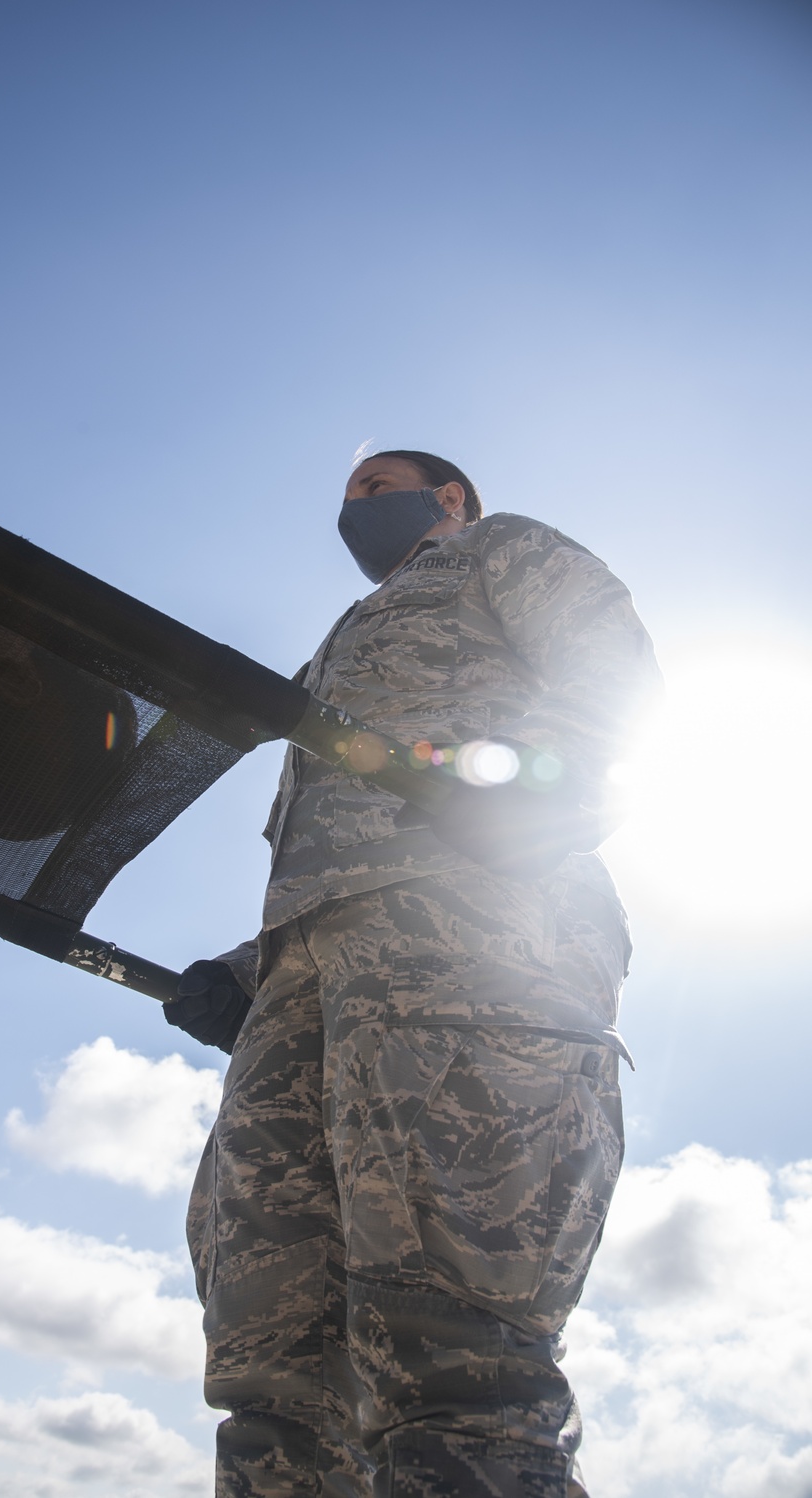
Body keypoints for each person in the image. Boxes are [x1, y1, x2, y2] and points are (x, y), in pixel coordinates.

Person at [166, 449, 661, 1498]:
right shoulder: (336, 645)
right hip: (311, 978)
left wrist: (528, 795)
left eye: (372, 485)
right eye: (344, 493)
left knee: (455, 1353)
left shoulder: (501, 548)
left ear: (445, 497)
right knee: (275, 1363)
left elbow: (607, 680)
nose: (351, 506)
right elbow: (343, 848)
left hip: (479, 938)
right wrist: (251, 971)